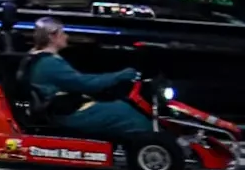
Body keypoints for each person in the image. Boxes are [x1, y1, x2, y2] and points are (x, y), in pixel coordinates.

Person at [20, 17, 151, 141]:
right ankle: (149, 144)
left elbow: (78, 80)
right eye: (62, 33)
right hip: (66, 114)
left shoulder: (36, 57)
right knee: (126, 112)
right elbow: (86, 83)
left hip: (60, 108)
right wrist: (120, 76)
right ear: (52, 36)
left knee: (118, 105)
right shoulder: (49, 63)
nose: (66, 36)